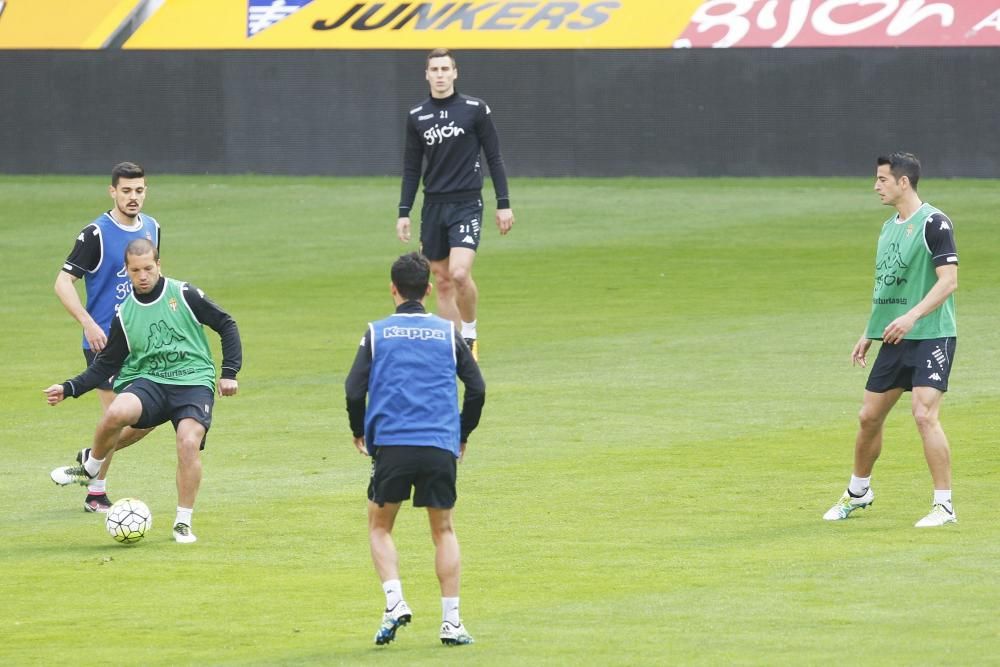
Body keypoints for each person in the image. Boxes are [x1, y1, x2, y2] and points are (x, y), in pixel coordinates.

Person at [46, 239, 242, 544]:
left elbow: (226, 323)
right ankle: (91, 467)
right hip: (149, 381)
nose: (143, 275)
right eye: (136, 270)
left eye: (148, 268)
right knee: (117, 411)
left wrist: (229, 372)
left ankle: (182, 523)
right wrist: (68, 387)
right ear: (127, 271)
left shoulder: (184, 294)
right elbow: (104, 365)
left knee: (187, 443)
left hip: (192, 382)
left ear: (159, 265)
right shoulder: (125, 314)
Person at [345, 252, 485, 646]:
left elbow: (354, 388)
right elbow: (477, 387)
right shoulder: (448, 332)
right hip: (439, 444)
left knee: (379, 526)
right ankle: (452, 622)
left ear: (393, 289)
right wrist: (462, 433)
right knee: (443, 530)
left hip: (393, 444)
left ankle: (395, 602)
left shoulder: (376, 333)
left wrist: (358, 430)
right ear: (427, 290)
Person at [823, 152, 959, 528]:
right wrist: (869, 332)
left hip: (933, 335)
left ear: (903, 182)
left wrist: (913, 316)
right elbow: (888, 287)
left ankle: (944, 506)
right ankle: (859, 491)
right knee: (868, 417)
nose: (875, 186)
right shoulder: (889, 228)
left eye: (882, 179)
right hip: (895, 338)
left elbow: (949, 281)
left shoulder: (935, 222)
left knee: (923, 415)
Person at [54, 161, 161, 513]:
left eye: (139, 190)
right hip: (105, 345)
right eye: (126, 190)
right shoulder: (95, 234)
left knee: (148, 419)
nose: (133, 197)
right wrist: (87, 323)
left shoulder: (153, 229)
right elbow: (62, 282)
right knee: (117, 418)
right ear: (112, 191)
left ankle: (91, 458)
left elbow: (153, 280)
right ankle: (96, 493)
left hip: (141, 340)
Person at [396, 47, 515, 361]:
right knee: (443, 280)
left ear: (455, 73)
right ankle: (452, 348)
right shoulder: (416, 116)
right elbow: (411, 168)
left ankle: (471, 332)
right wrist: (404, 212)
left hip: (466, 203)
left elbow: (494, 157)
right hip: (434, 205)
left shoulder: (475, 109)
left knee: (460, 274)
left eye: (444, 69)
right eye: (434, 70)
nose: (439, 75)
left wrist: (504, 203)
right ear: (426, 75)